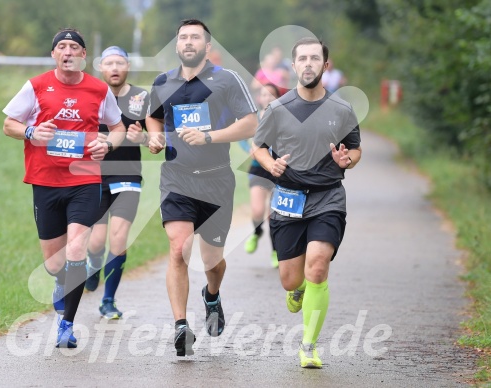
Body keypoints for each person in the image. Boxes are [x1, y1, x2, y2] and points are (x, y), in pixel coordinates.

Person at [2, 28, 126, 348]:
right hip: (45, 180)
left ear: (84, 56)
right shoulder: (36, 86)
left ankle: (66, 326)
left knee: (75, 250)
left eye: (74, 47)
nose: (68, 51)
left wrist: (107, 145)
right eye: (62, 47)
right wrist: (30, 132)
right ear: (54, 55)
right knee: (54, 262)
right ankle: (64, 279)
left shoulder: (99, 90)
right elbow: (8, 124)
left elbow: (118, 128)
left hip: (84, 178)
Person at [146, 19, 258, 356]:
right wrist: (154, 134)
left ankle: (212, 295)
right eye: (183, 37)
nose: (189, 42)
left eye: (196, 37)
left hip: (216, 178)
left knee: (213, 261)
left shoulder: (226, 80)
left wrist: (210, 136)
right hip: (177, 178)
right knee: (179, 249)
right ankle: (181, 326)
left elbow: (250, 123)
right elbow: (153, 115)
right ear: (177, 45)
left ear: (207, 47)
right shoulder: (163, 81)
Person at [253, 37, 361, 368]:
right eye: (303, 58)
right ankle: (296, 288)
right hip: (287, 200)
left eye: (316, 58)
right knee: (290, 278)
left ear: (325, 66)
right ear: (294, 65)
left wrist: (348, 161)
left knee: (317, 264)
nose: (309, 63)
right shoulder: (278, 109)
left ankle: (309, 345)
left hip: (328, 197)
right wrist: (270, 164)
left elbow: (355, 149)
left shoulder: (342, 110)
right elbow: (258, 146)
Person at [84, 46, 150, 320]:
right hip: (95, 174)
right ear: (101, 67)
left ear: (127, 67)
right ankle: (93, 263)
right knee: (96, 241)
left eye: (120, 63)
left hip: (128, 174)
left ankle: (108, 300)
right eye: (109, 63)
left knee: (118, 239)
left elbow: (154, 137)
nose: (114, 68)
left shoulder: (141, 97)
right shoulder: (90, 94)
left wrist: (142, 139)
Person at [239, 83, 281, 268]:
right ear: (259, 98)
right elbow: (241, 135)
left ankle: (275, 251)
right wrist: (248, 148)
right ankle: (257, 232)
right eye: (264, 94)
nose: (268, 98)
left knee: (274, 214)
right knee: (257, 211)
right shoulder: (253, 118)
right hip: (258, 168)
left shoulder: (284, 117)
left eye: (272, 95)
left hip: (278, 170)